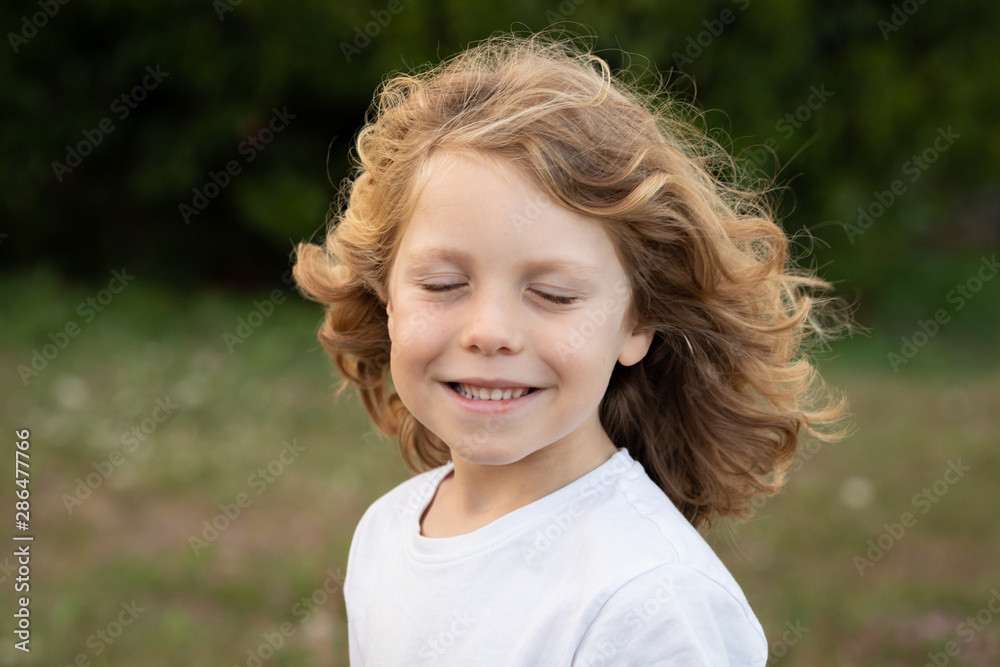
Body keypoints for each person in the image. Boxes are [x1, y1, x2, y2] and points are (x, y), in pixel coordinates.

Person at [292, 27, 850, 666]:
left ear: (637, 323)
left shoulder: (649, 601)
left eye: (554, 294)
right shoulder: (387, 532)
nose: (490, 332)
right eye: (444, 284)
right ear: (387, 296)